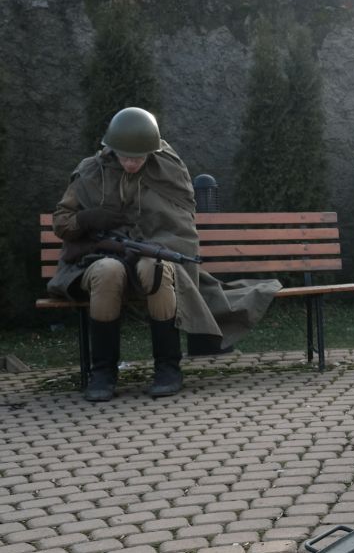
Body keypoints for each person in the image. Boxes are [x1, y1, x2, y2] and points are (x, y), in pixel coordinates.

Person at [49, 107, 278, 401]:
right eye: (125, 156)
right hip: (96, 261)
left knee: (156, 267)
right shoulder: (91, 171)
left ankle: (168, 368)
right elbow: (62, 222)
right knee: (108, 271)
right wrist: (87, 219)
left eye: (139, 157)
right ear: (112, 149)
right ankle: (103, 372)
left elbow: (181, 226)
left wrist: (149, 245)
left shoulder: (168, 170)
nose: (131, 163)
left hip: (153, 256)